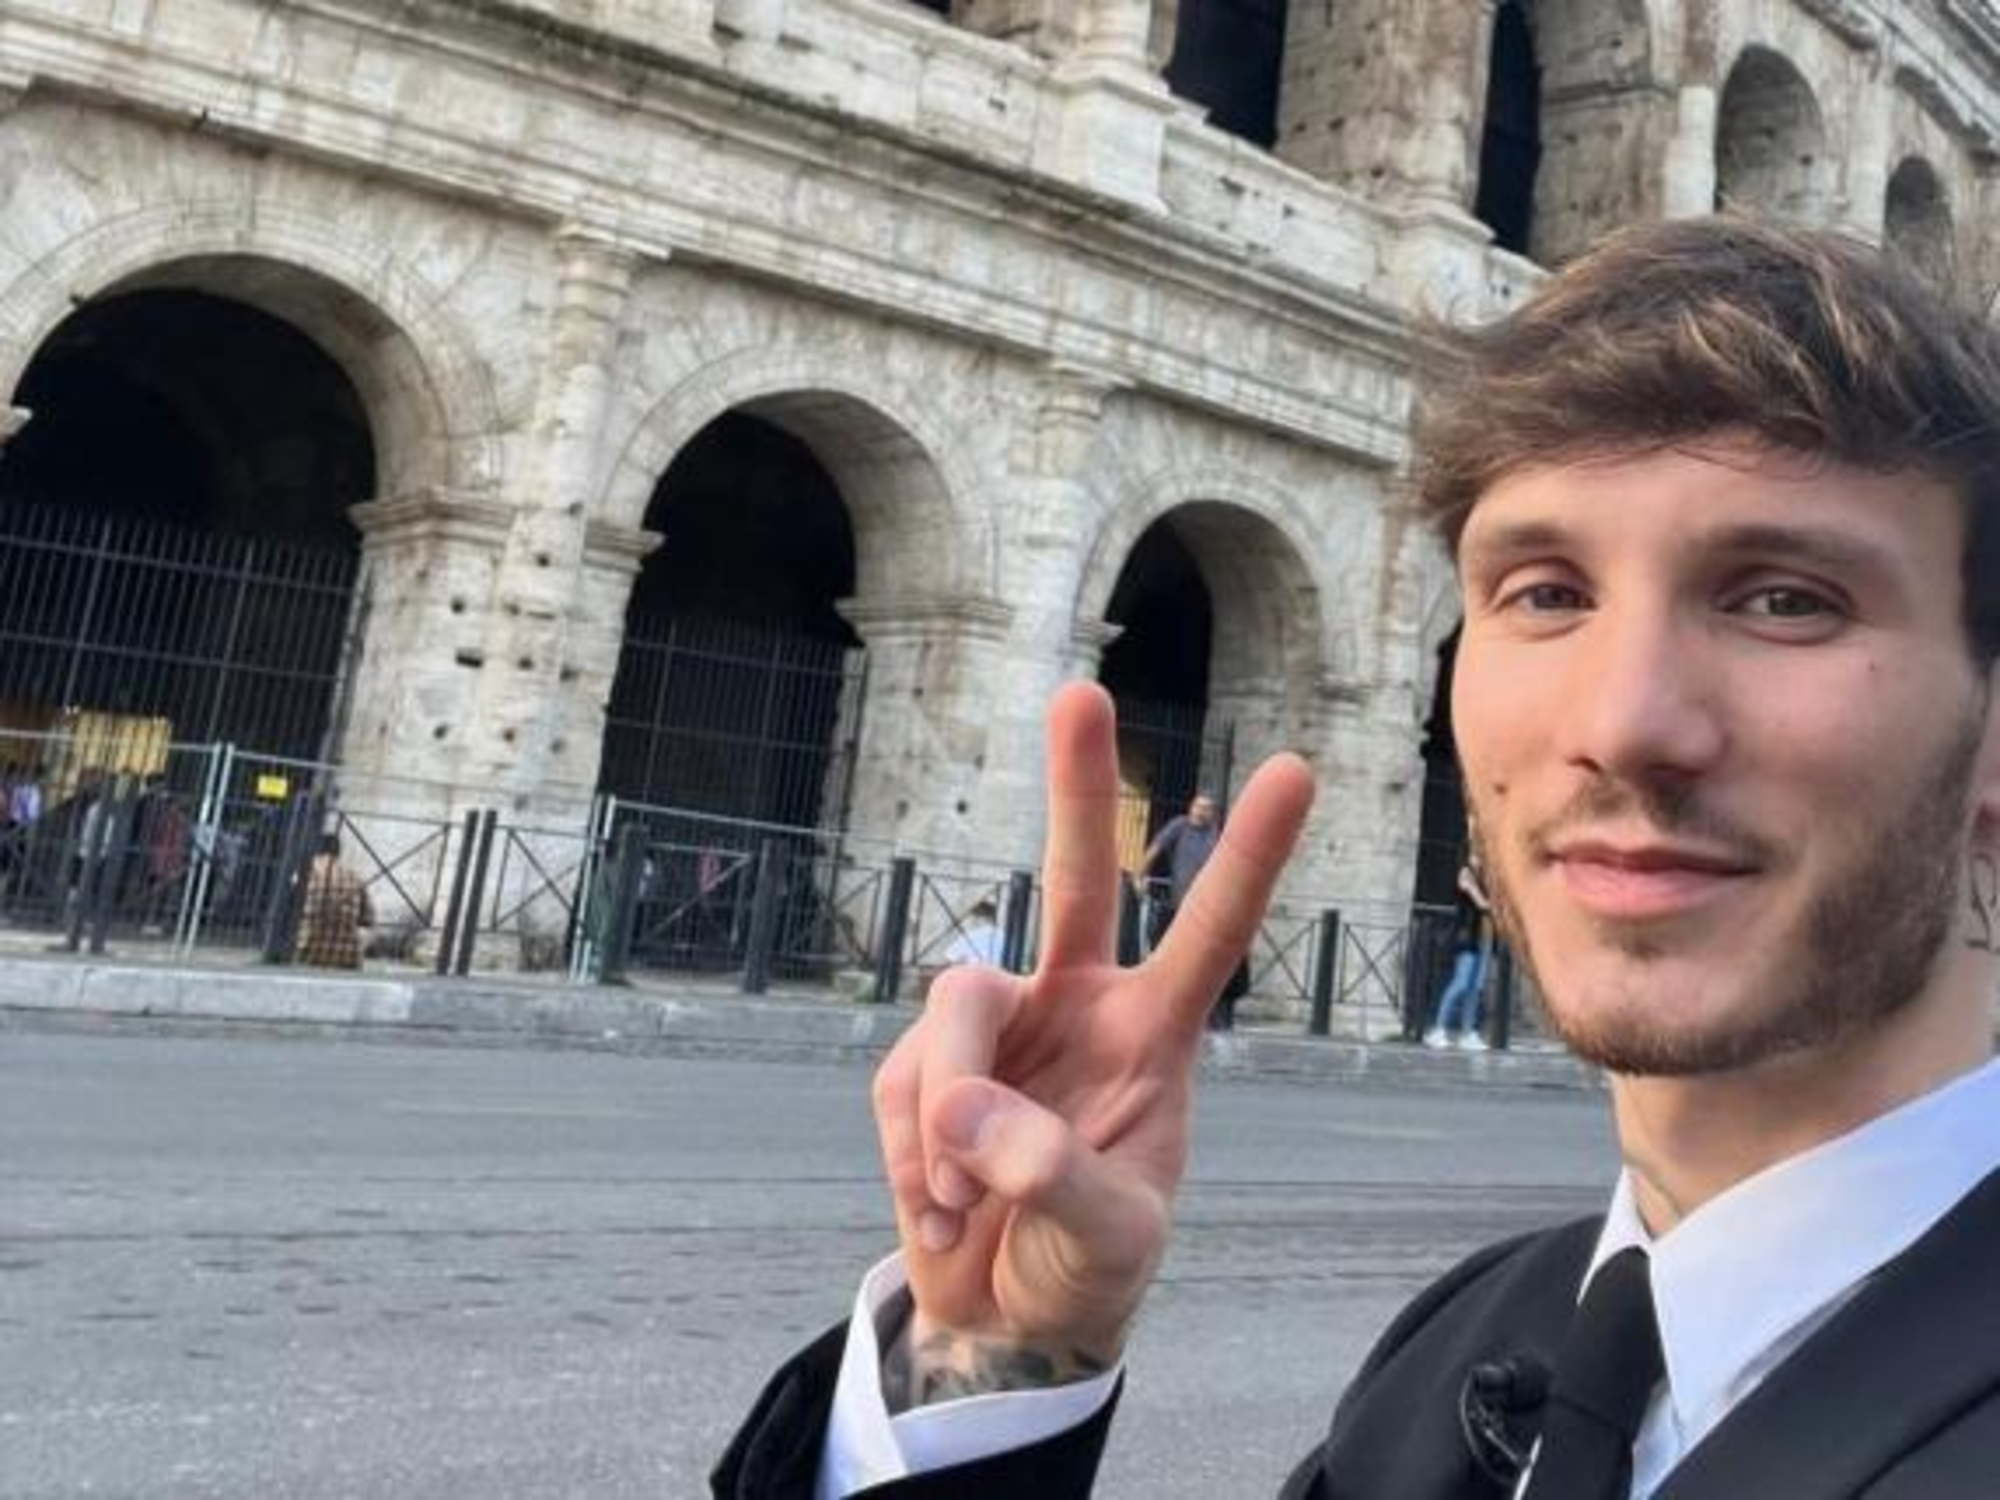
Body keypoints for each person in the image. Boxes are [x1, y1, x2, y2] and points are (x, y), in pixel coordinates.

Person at [714, 217, 2000, 1499]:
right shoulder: (1469, 1350)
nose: (1620, 725)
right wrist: (994, 1355)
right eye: (1544, 591)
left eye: (1784, 599)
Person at [1138, 792, 1249, 1028]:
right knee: (1170, 957)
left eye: (1206, 808)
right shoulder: (1179, 826)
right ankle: (1164, 1009)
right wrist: (1141, 875)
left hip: (1212, 908)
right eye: (1197, 807)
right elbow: (1157, 847)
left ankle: (1210, 1014)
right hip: (1181, 906)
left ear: (1213, 813)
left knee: (1208, 961)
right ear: (1190, 808)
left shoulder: (1216, 833)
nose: (1200, 812)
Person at [1423, 863, 1495, 1051]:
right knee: (1460, 983)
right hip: (1466, 938)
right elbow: (1481, 903)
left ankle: (1468, 1034)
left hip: (1484, 938)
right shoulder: (1466, 873)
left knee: (1476, 989)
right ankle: (1437, 1030)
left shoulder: (1488, 877)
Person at [293, 832, 372, 970]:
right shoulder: (355, 876)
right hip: (348, 956)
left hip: (307, 952)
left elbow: (288, 909)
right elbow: (368, 919)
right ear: (338, 852)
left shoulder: (303, 873)